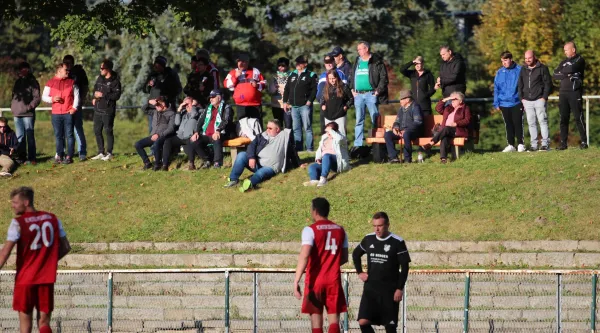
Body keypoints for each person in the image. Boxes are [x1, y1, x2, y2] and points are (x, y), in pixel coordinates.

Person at [0, 186, 71, 333]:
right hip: (46, 278)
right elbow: (65, 247)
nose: (12, 206)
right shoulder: (53, 219)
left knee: (25, 326)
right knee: (44, 323)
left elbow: (5, 252)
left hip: (25, 279)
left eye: (15, 202)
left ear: (26, 202)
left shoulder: (18, 223)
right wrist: (48, 261)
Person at [293, 197, 348, 333]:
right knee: (334, 320)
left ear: (315, 211)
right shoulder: (340, 230)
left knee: (316, 320)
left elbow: (305, 255)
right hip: (333, 280)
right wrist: (331, 263)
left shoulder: (310, 230)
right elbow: (344, 258)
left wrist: (296, 280)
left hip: (315, 280)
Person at [352, 211, 411, 333]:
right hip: (371, 289)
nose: (377, 229)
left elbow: (405, 267)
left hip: (389, 290)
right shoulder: (369, 239)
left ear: (387, 225)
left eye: (380, 226)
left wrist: (399, 288)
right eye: (374, 226)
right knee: (363, 322)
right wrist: (360, 272)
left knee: (390, 327)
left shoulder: (397, 242)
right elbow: (356, 254)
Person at [223, 119, 299, 192]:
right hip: (257, 163)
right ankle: (233, 180)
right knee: (241, 155)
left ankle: (249, 184)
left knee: (260, 173)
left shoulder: (284, 136)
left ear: (277, 129)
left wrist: (298, 164)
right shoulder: (262, 135)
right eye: (267, 127)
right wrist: (251, 157)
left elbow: (292, 150)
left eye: (270, 128)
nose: (267, 130)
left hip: (271, 167)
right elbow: (251, 146)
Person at [348, 41, 388, 149]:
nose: (358, 51)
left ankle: (378, 143)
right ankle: (358, 145)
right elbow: (352, 75)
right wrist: (352, 89)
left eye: (360, 49)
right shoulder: (357, 60)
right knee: (359, 120)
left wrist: (378, 91)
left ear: (366, 49)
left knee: (375, 119)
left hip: (371, 94)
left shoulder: (376, 62)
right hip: (358, 95)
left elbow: (384, 78)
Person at [42, 62, 80, 165]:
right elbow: (44, 97)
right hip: (56, 114)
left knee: (69, 135)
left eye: (68, 70)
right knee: (58, 136)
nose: (68, 72)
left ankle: (69, 156)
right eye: (66, 70)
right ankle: (59, 155)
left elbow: (77, 96)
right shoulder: (50, 82)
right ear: (59, 71)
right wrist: (52, 99)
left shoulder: (72, 82)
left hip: (68, 113)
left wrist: (74, 108)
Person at [553, 41, 587, 150]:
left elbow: (572, 68)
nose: (565, 52)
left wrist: (565, 72)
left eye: (566, 50)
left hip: (574, 92)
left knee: (578, 117)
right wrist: (566, 73)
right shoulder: (563, 62)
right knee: (563, 118)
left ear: (573, 49)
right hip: (563, 93)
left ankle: (584, 142)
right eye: (564, 50)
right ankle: (563, 143)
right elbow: (555, 75)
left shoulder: (579, 60)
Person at [189, 89, 235, 169]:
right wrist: (196, 132)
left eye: (213, 97)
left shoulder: (227, 107)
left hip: (223, 132)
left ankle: (217, 163)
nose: (210, 99)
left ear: (219, 98)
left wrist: (218, 130)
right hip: (207, 134)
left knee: (216, 138)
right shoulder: (208, 108)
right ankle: (207, 160)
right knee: (194, 140)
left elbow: (226, 120)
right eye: (210, 97)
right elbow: (201, 120)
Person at [423, 92, 471, 164]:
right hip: (446, 131)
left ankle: (431, 143)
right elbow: (438, 108)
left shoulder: (465, 108)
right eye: (452, 99)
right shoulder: (448, 108)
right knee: (444, 137)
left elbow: (467, 120)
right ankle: (443, 159)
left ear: (460, 101)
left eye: (455, 99)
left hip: (457, 130)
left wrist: (456, 123)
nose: (453, 101)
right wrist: (446, 99)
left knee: (445, 129)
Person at [518, 50, 552, 151]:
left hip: (539, 99)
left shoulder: (542, 68)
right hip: (527, 101)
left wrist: (544, 97)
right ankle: (534, 145)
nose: (527, 60)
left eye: (529, 58)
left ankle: (545, 144)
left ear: (534, 57)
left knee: (542, 121)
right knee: (531, 123)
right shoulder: (523, 69)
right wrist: (522, 98)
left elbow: (548, 83)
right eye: (526, 58)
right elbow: (520, 84)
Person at [283, 56, 318, 152]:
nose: (297, 64)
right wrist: (285, 102)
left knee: (307, 128)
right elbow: (287, 89)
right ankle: (299, 150)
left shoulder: (311, 75)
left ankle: (309, 149)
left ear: (305, 64)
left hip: (305, 106)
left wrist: (310, 100)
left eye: (300, 62)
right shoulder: (292, 74)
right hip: (294, 106)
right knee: (296, 129)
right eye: (296, 62)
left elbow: (315, 89)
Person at [90, 59, 122, 161]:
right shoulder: (100, 78)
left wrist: (103, 95)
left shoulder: (115, 81)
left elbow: (116, 96)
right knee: (97, 130)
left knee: (108, 131)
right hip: (98, 110)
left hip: (108, 111)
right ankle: (100, 152)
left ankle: (109, 153)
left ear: (108, 69)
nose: (100, 70)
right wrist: (94, 97)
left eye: (102, 68)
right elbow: (95, 89)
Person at [493, 51, 524, 153]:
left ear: (511, 59)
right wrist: (496, 103)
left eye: (505, 60)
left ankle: (520, 144)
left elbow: (523, 86)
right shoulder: (499, 72)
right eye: (502, 61)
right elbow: (496, 88)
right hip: (503, 103)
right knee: (508, 124)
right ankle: (511, 145)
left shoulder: (519, 70)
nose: (504, 63)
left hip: (516, 102)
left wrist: (523, 99)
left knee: (518, 122)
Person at [143, 56, 182, 134]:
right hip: (154, 108)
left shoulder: (171, 75)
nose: (156, 68)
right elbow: (145, 89)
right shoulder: (153, 75)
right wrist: (149, 85)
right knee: (153, 130)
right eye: (155, 66)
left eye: (158, 66)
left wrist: (166, 98)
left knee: (166, 130)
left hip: (166, 107)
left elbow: (178, 89)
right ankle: (153, 145)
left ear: (162, 66)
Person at [134, 97, 176, 171]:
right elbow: (143, 109)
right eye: (155, 105)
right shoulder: (155, 112)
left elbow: (171, 128)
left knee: (157, 144)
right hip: (153, 136)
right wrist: (149, 102)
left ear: (163, 104)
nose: (156, 106)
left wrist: (159, 135)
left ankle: (158, 164)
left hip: (164, 136)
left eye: (158, 104)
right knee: (138, 144)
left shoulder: (171, 113)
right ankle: (147, 163)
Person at [11, 62, 40, 165]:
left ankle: (32, 158)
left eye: (25, 69)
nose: (23, 71)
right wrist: (13, 107)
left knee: (30, 136)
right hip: (17, 114)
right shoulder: (18, 82)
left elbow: (37, 98)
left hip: (28, 114)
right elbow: (14, 96)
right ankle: (21, 157)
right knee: (20, 137)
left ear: (28, 70)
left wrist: (29, 107)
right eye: (21, 69)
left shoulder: (33, 82)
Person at [304, 122, 350, 187]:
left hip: (337, 163)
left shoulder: (341, 138)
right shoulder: (324, 137)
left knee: (327, 155)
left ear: (335, 131)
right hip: (326, 161)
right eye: (327, 131)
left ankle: (323, 178)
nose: (328, 133)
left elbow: (339, 139)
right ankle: (314, 180)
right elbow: (319, 149)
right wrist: (318, 158)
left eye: (329, 131)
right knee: (312, 166)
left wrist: (331, 131)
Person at [224, 53, 266, 123]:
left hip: (255, 104)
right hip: (241, 105)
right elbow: (226, 84)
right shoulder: (233, 72)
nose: (240, 63)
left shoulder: (255, 71)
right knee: (242, 127)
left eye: (242, 61)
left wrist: (257, 85)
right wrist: (235, 77)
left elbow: (264, 82)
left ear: (247, 62)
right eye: (239, 61)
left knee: (256, 125)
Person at [384, 90, 423, 163]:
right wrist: (395, 128)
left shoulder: (415, 107)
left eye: (401, 99)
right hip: (401, 131)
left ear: (407, 99)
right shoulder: (401, 109)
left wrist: (406, 130)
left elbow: (418, 122)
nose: (400, 101)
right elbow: (397, 121)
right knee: (388, 134)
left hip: (413, 132)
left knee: (406, 134)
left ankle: (407, 158)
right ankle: (394, 157)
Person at [162, 97, 201, 170]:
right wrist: (179, 110)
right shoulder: (183, 113)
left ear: (193, 104)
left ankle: (191, 164)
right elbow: (177, 123)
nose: (186, 106)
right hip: (180, 136)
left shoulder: (198, 111)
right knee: (168, 141)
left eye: (188, 104)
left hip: (190, 136)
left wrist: (192, 106)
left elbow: (194, 115)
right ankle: (165, 165)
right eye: (185, 104)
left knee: (191, 142)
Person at [63, 55, 88, 161]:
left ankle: (82, 152)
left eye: (69, 62)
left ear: (73, 63)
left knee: (77, 128)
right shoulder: (63, 72)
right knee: (65, 130)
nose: (67, 65)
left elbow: (85, 86)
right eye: (65, 62)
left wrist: (81, 100)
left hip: (76, 105)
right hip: (65, 105)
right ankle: (65, 152)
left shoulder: (79, 73)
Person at [317, 54, 347, 134]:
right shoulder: (322, 75)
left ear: (334, 62)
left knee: (339, 131)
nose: (329, 64)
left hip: (337, 108)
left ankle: (341, 146)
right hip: (324, 107)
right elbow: (319, 91)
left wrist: (345, 106)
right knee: (325, 131)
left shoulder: (340, 74)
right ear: (324, 63)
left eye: (331, 62)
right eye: (327, 62)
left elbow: (345, 91)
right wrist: (321, 103)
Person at [319, 70, 353, 136]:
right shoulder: (326, 87)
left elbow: (351, 99)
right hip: (328, 115)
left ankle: (343, 147)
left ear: (337, 77)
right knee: (329, 136)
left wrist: (346, 107)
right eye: (330, 79)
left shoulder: (344, 87)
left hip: (340, 114)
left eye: (333, 78)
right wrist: (323, 105)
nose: (332, 80)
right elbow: (322, 99)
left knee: (341, 136)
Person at [268, 57, 292, 129]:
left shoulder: (291, 76)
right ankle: (280, 140)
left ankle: (289, 140)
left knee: (288, 126)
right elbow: (271, 91)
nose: (281, 68)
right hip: (276, 105)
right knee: (278, 127)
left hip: (288, 105)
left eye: (283, 66)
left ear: (287, 66)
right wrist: (274, 87)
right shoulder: (274, 77)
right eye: (279, 66)